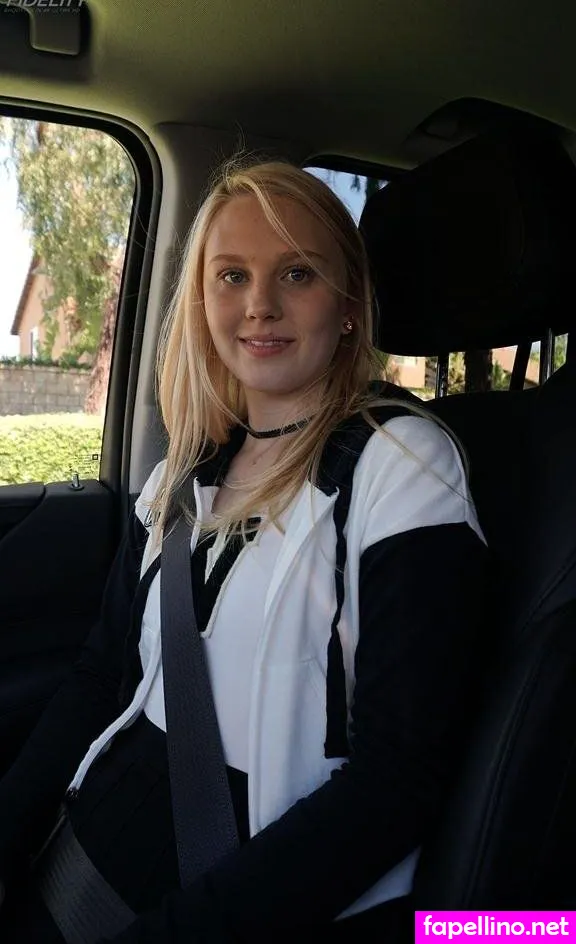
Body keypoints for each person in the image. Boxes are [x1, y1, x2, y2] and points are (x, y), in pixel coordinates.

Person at [0, 158, 488, 942]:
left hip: (250, 893)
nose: (259, 304)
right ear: (202, 301)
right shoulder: (180, 475)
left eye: (297, 273)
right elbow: (100, 674)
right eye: (232, 276)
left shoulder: (403, 466)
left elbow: (398, 778)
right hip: (80, 855)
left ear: (349, 304)